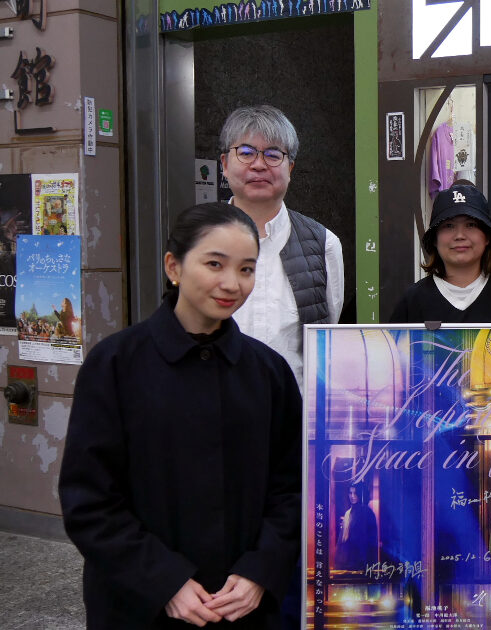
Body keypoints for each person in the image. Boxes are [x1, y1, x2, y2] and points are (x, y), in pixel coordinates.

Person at [59, 202, 302, 629]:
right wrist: (164, 581)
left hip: (243, 608)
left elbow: (293, 488)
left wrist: (259, 570)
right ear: (174, 266)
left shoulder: (269, 372)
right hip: (139, 607)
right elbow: (89, 500)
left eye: (246, 269)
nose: (232, 283)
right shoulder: (115, 364)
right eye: (214, 264)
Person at [219, 105, 344, 385]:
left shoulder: (324, 244)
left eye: (273, 155)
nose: (259, 165)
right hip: (215, 405)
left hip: (293, 406)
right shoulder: (198, 240)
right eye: (246, 153)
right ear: (225, 164)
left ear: (290, 168)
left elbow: (326, 334)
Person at [389, 183, 491, 323]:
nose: (459, 235)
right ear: (435, 239)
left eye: (470, 225)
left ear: (487, 236)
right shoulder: (412, 301)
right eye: (449, 226)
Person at [336, 484, 379, 570]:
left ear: (360, 494)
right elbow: (343, 539)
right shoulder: (348, 513)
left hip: (362, 559)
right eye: (350, 493)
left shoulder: (367, 512)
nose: (352, 496)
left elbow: (372, 539)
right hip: (348, 559)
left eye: (355, 493)